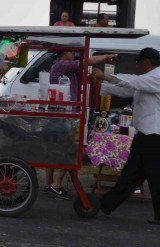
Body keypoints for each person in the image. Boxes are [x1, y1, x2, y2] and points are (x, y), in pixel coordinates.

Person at [91, 47, 160, 225]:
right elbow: (125, 90)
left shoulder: (155, 78)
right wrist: (100, 85)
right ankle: (106, 204)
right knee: (131, 174)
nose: (137, 66)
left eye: (138, 62)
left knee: (156, 175)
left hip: (154, 134)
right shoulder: (147, 81)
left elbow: (129, 82)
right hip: (146, 133)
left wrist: (103, 75)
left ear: (146, 62)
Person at [45, 48, 117, 199]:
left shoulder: (63, 68)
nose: (74, 55)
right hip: (67, 115)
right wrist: (107, 55)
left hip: (67, 114)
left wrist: (90, 79)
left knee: (58, 150)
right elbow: (87, 62)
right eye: (72, 52)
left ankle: (50, 184)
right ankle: (56, 184)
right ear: (64, 53)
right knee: (71, 149)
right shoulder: (62, 65)